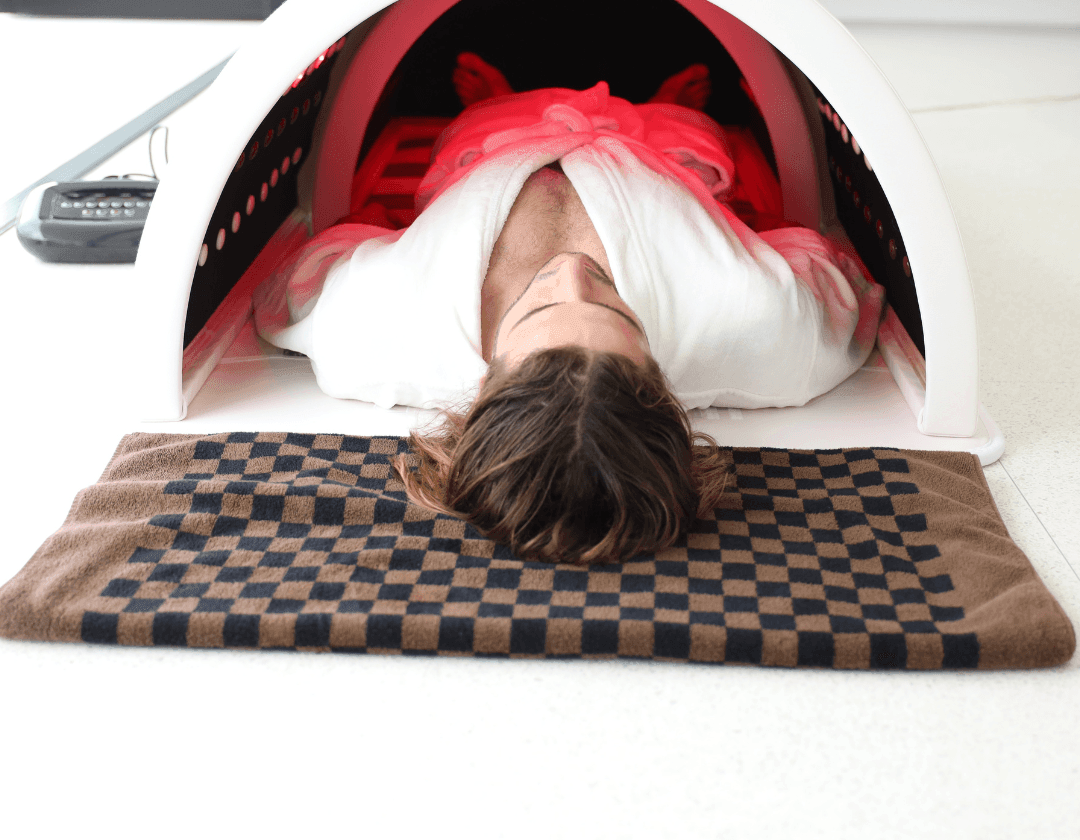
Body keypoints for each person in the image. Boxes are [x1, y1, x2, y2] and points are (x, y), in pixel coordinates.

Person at [254, 55, 885, 564]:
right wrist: (741, 239)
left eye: (536, 308)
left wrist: (389, 237)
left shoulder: (388, 328)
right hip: (667, 153)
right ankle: (676, 102)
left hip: (488, 145)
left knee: (477, 112)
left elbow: (302, 271)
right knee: (698, 134)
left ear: (485, 382)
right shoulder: (753, 323)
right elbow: (833, 273)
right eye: (617, 308)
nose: (571, 275)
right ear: (663, 384)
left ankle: (496, 91)